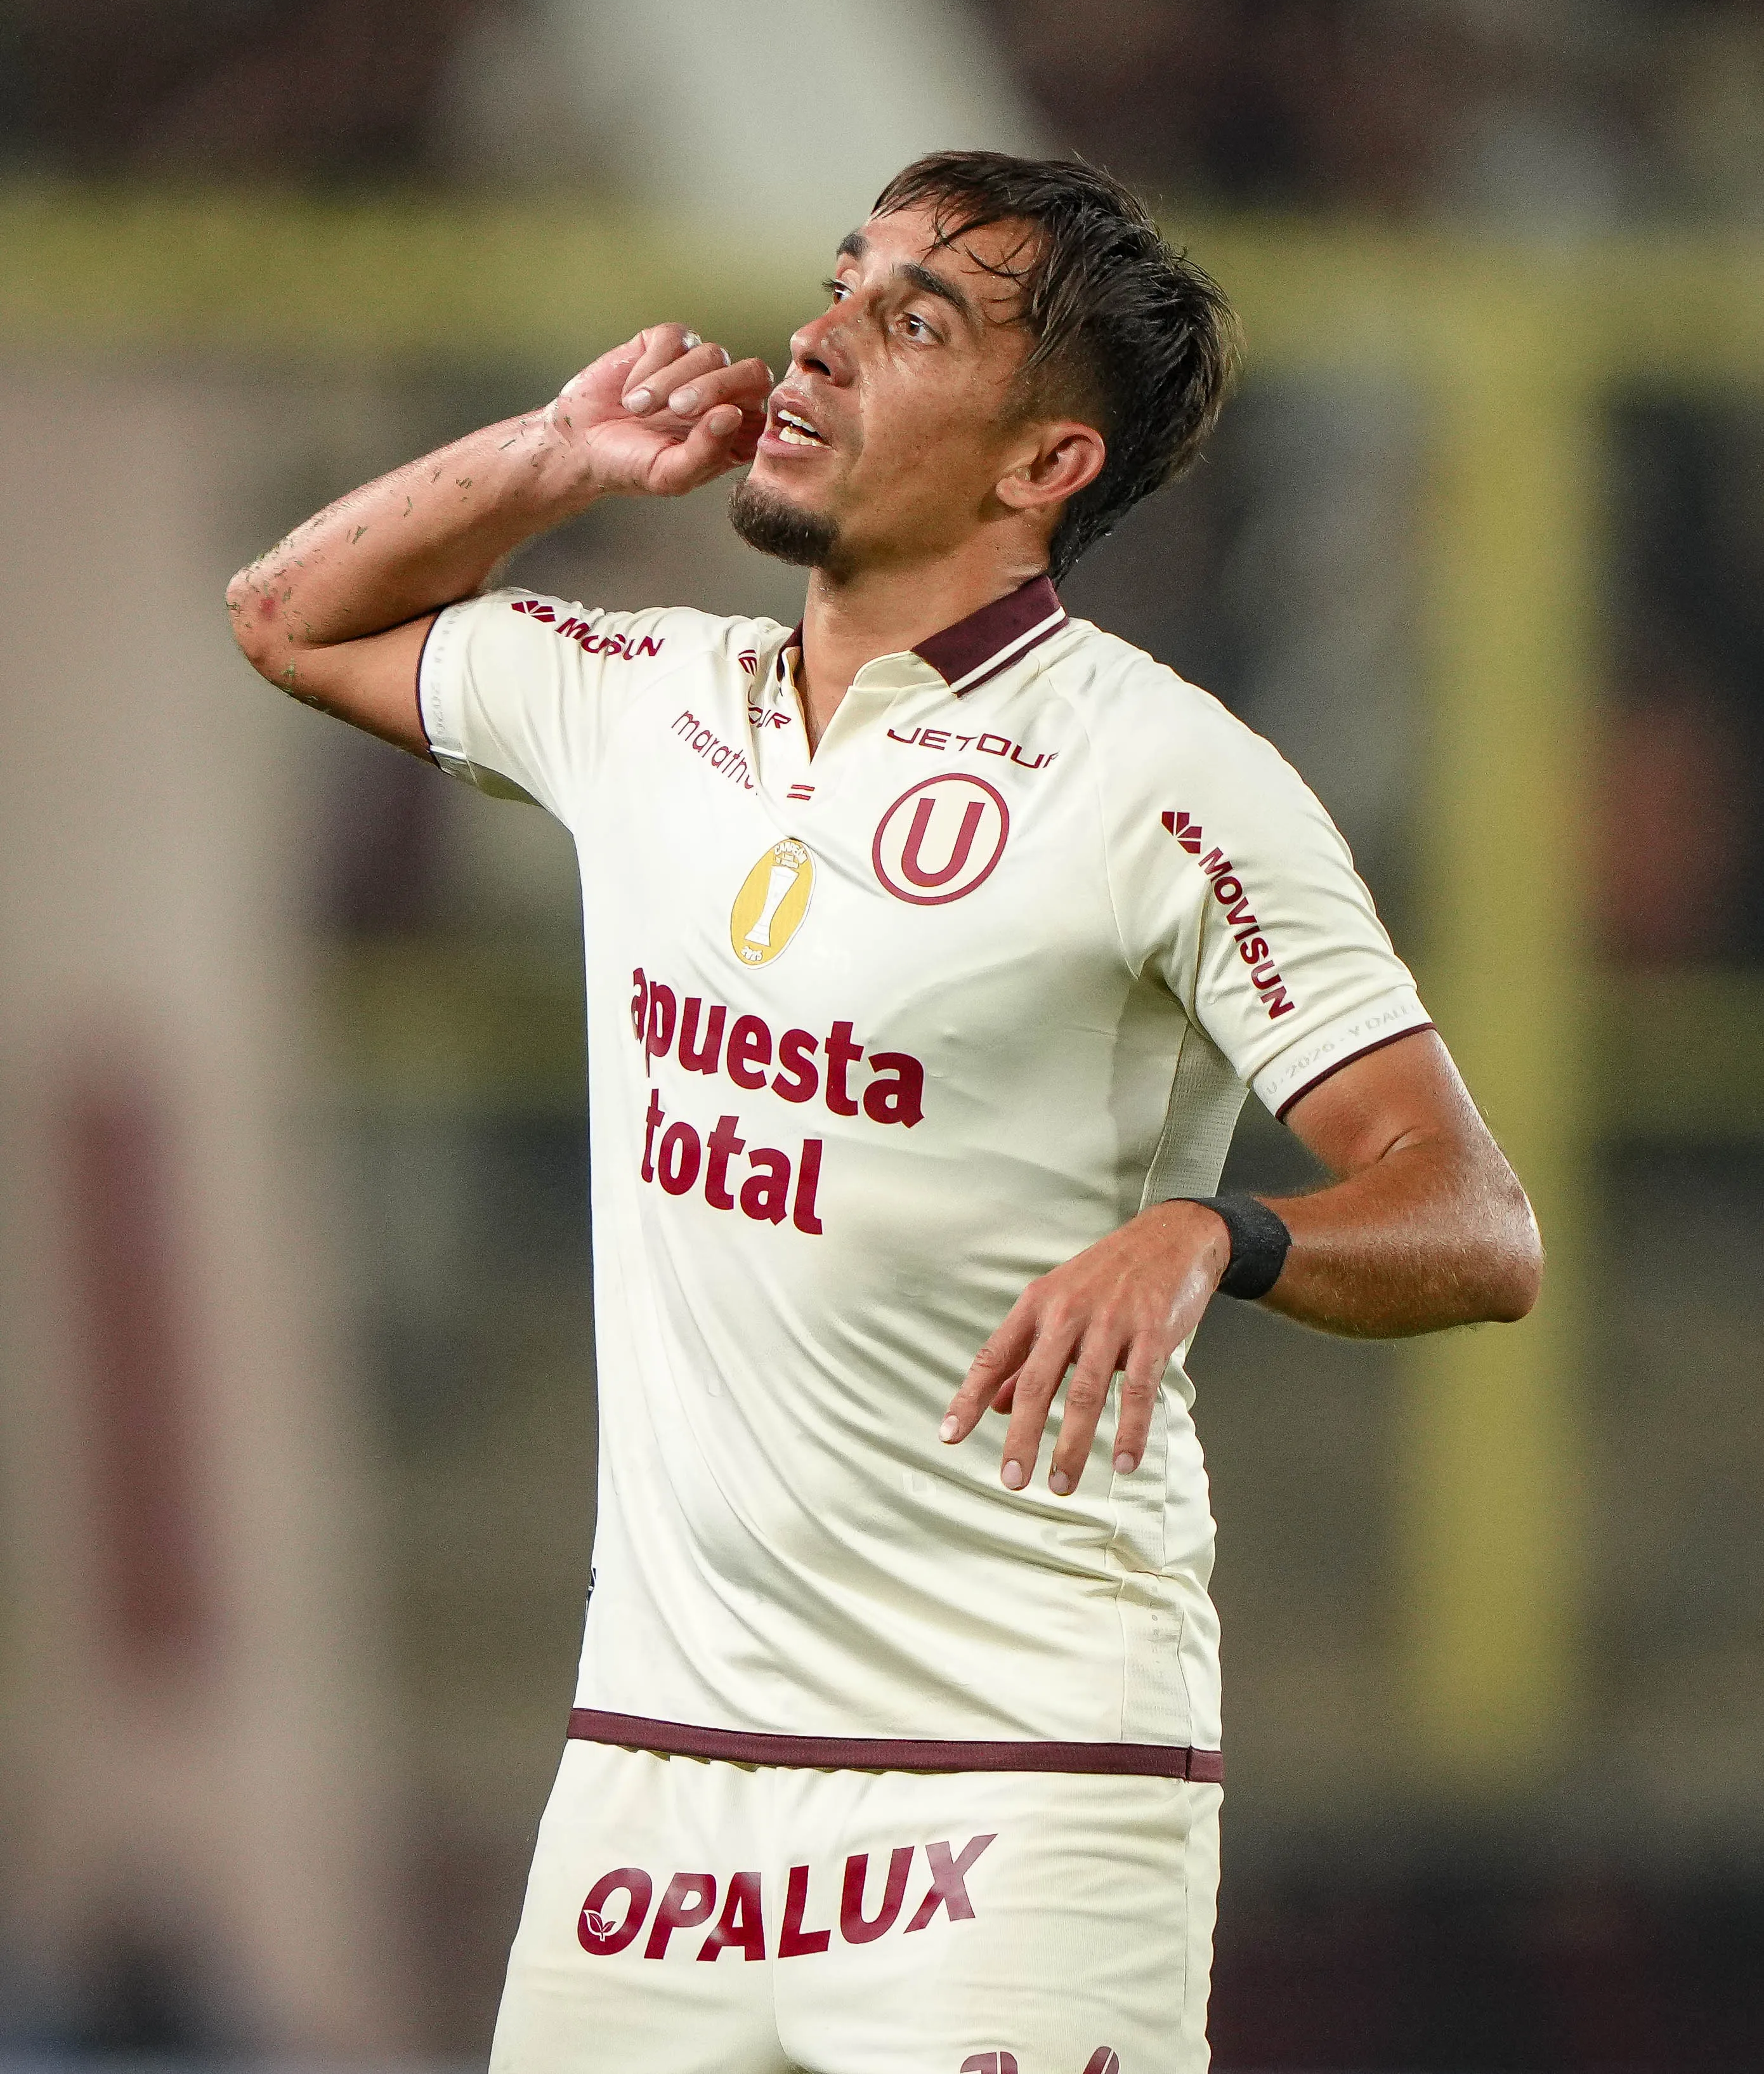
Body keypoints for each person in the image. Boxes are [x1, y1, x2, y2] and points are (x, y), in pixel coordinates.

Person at [229, 152, 1541, 2074]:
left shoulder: (1166, 778)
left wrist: (1218, 1232)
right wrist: (553, 454)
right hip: (653, 1785)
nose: (820, 334)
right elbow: (286, 615)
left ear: (1043, 466)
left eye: (914, 318)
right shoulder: (643, 700)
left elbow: (1474, 1220)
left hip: (1012, 1775)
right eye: (843, 281)